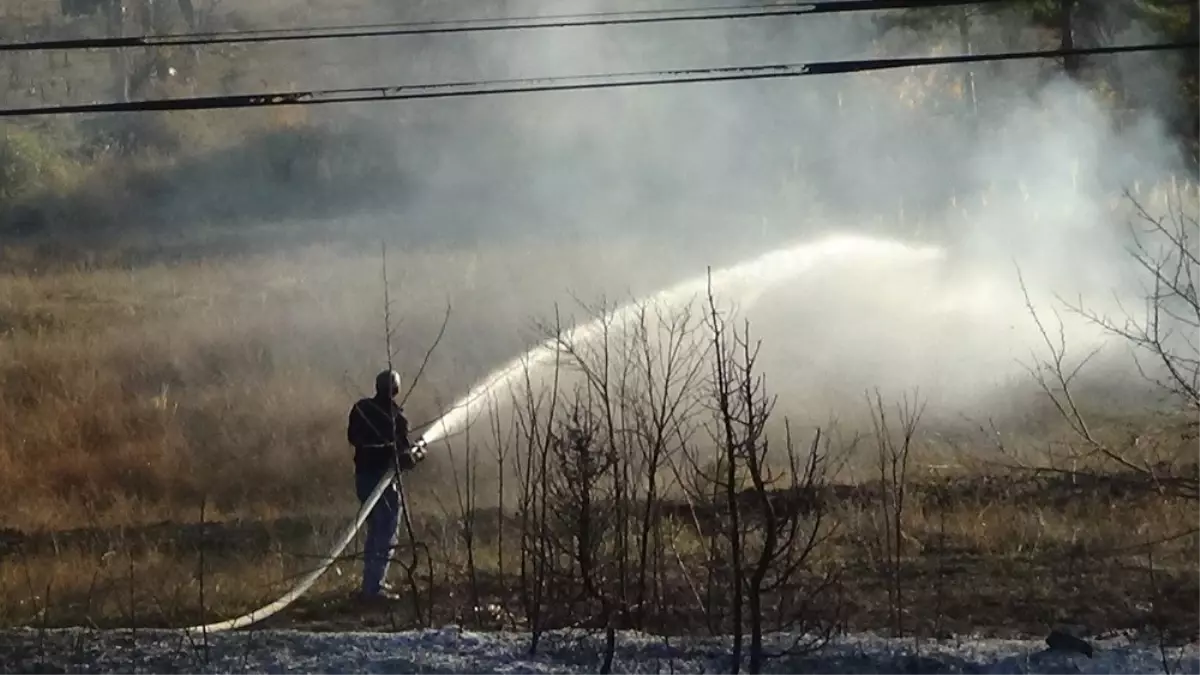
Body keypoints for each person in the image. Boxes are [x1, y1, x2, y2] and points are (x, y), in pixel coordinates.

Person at [346, 369, 426, 602]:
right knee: (386, 530)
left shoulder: (360, 408)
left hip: (362, 479)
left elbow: (353, 438)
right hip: (383, 482)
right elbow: (403, 458)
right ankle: (373, 588)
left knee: (375, 530)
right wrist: (418, 454)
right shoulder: (397, 417)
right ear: (396, 389)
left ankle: (372, 583)